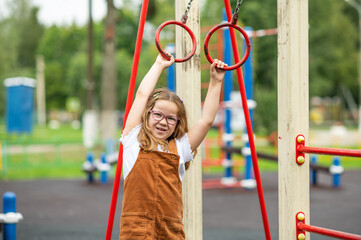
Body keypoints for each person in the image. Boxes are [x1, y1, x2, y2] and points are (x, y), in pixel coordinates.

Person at [119, 51, 227, 240]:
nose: (163, 122)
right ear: (147, 114)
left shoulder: (180, 148)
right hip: (136, 230)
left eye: (171, 118)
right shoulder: (133, 140)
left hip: (169, 231)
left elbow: (206, 121)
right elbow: (142, 95)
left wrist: (216, 82)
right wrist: (159, 65)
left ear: (178, 123)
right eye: (158, 114)